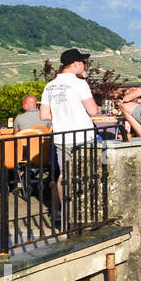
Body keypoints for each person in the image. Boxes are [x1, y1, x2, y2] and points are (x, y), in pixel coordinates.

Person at [40, 49, 101, 215]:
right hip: (83, 136)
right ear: (75, 64)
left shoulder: (50, 86)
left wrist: (60, 112)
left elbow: (44, 115)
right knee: (86, 175)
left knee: (64, 176)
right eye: (83, 62)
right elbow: (93, 111)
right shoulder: (79, 84)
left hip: (62, 137)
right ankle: (84, 213)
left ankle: (67, 213)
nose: (85, 65)